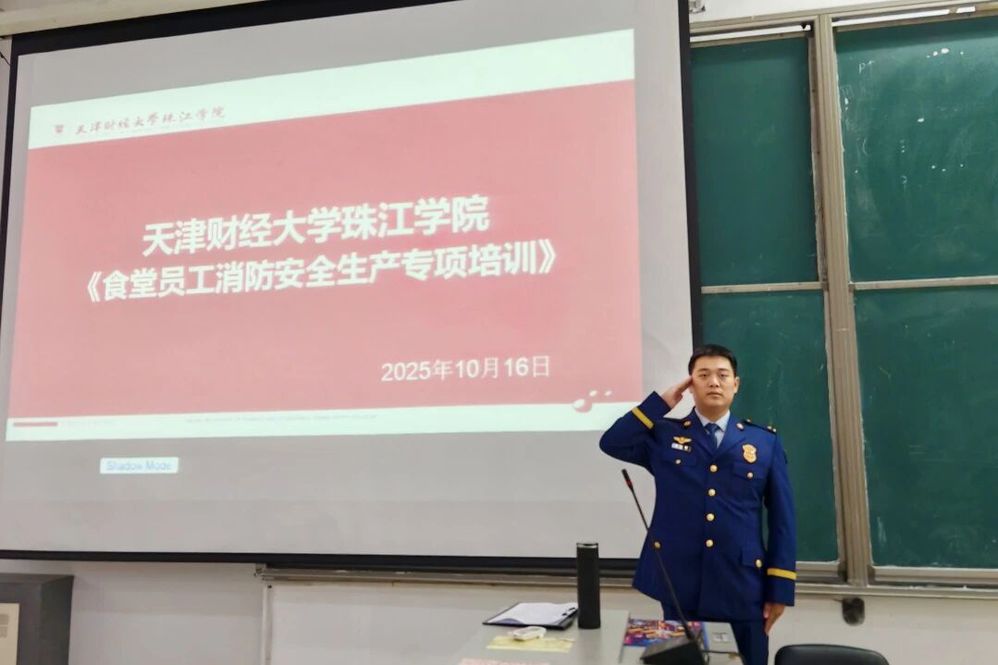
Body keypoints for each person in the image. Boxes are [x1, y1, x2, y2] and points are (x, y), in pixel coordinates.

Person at [599, 344, 796, 665]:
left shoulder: (764, 441)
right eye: (703, 375)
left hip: (743, 585)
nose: (714, 382)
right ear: (690, 385)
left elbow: (783, 519)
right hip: (681, 585)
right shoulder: (665, 435)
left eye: (722, 375)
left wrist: (780, 587)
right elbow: (612, 442)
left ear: (736, 384)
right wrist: (661, 403)